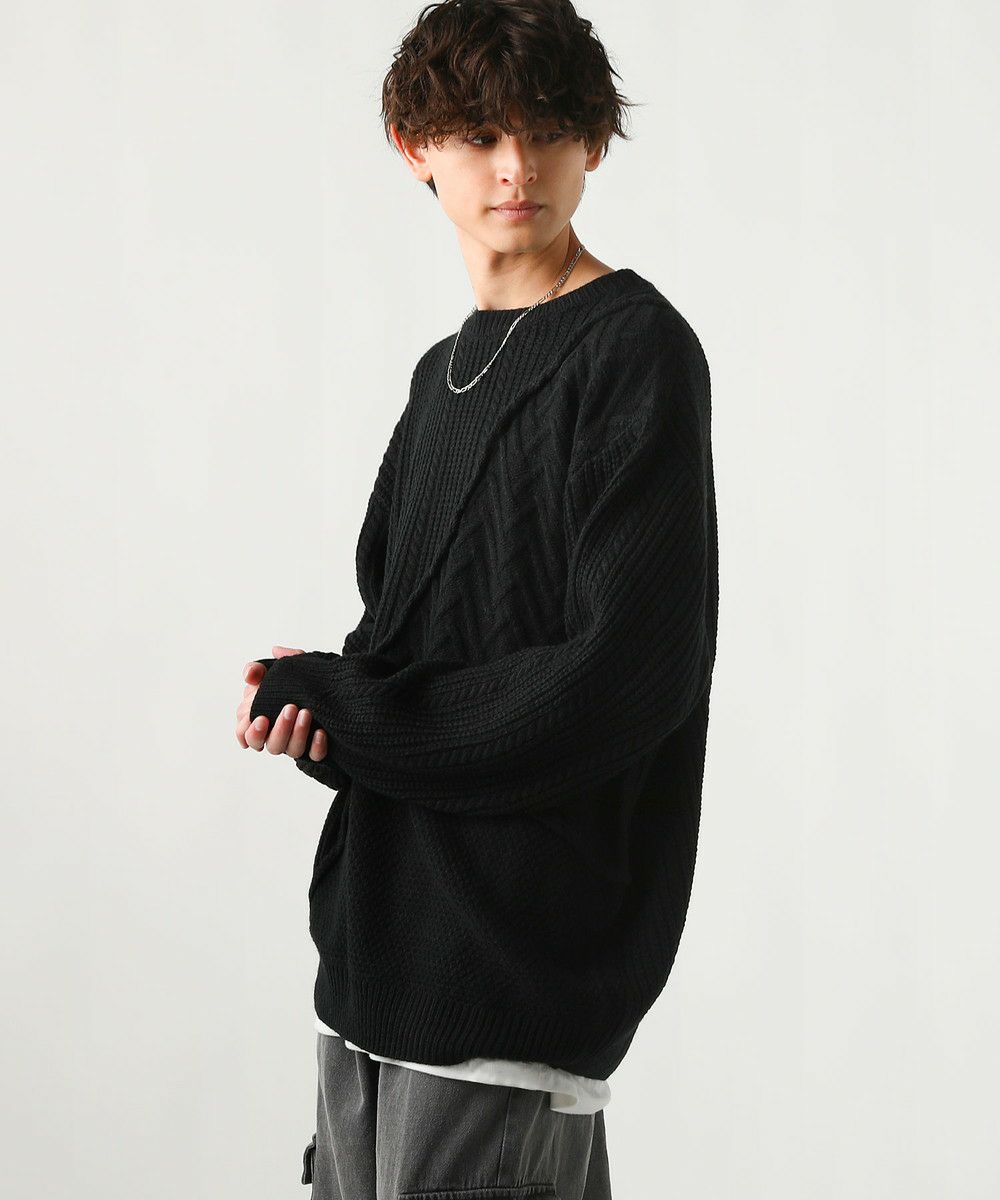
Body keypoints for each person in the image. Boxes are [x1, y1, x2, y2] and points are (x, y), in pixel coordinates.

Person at [235, 1, 719, 1196]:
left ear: (592, 143)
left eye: (548, 131)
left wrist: (361, 711)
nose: (516, 168)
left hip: (509, 973)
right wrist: (318, 712)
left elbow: (619, 681)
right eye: (481, 134)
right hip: (372, 967)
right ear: (417, 147)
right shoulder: (440, 375)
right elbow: (408, 660)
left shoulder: (634, 352)